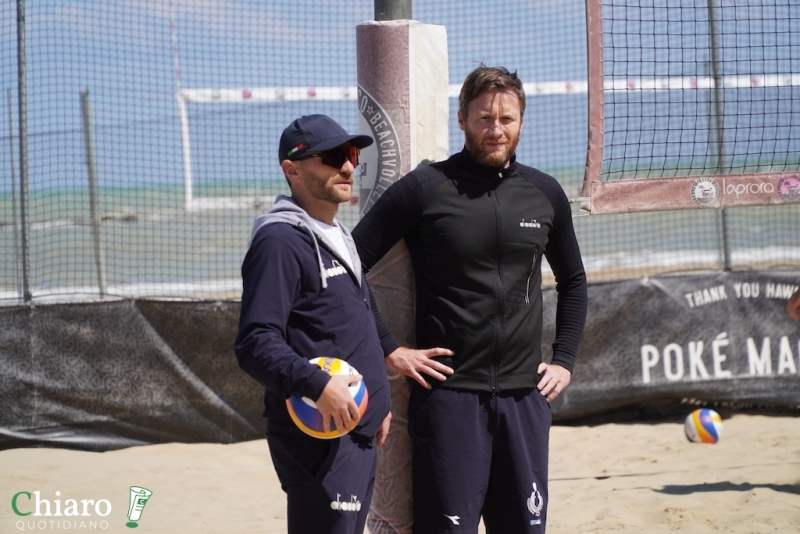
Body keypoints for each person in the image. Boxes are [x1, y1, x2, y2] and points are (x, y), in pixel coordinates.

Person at [352, 65, 588, 533]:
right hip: (449, 400)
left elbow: (574, 282)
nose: (495, 129)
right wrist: (389, 348)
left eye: (506, 118)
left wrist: (563, 360)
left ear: (521, 122)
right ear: (461, 119)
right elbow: (348, 261)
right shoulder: (426, 188)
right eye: (484, 118)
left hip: (524, 399)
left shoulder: (544, 194)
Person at [234, 114, 413, 534]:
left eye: (350, 154)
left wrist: (378, 400)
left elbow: (358, 314)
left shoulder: (336, 233)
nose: (348, 167)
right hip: (317, 434)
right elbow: (254, 342)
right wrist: (319, 386)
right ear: (291, 170)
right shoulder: (279, 242)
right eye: (332, 158)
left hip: (353, 426)